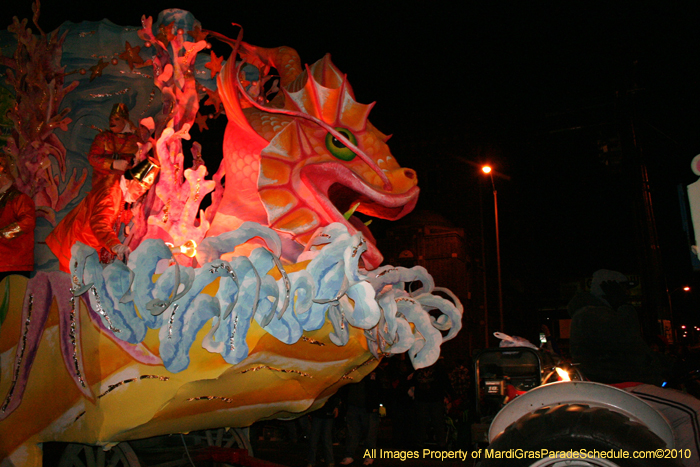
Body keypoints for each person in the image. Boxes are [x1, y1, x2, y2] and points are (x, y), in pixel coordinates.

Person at [568, 269, 700, 467]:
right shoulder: (591, 314)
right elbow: (628, 339)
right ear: (608, 288)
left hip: (623, 385)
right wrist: (624, 306)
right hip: (619, 387)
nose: (627, 293)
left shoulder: (597, 313)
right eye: (622, 288)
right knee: (692, 411)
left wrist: (672, 364)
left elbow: (637, 351)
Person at [46, 157, 159, 273]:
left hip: (79, 242)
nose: (140, 193)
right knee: (75, 284)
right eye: (140, 188)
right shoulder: (110, 195)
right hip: (79, 245)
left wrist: (130, 213)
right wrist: (116, 246)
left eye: (144, 191)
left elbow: (117, 211)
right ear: (132, 180)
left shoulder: (117, 183)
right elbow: (100, 224)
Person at [0, 156, 35, 281]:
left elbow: (28, 222)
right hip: (4, 262)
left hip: (14, 263)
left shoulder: (19, 199)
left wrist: (4, 233)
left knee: (13, 298)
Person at [88, 103, 139, 186]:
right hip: (103, 184)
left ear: (125, 121)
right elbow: (92, 158)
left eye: (117, 119)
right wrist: (112, 164)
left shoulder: (134, 140)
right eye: (111, 119)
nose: (112, 121)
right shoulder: (103, 137)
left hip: (126, 185)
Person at [340, 370, 381, 466]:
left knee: (370, 432)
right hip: (353, 404)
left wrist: (376, 405)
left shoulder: (373, 371)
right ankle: (349, 454)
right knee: (352, 432)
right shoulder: (353, 369)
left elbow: (378, 388)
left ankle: (370, 455)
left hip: (368, 407)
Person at [307, 393, 341, 467]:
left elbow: (336, 392)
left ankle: (328, 460)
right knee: (315, 438)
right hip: (318, 411)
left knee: (325, 438)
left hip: (327, 410)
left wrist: (336, 406)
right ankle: (313, 460)